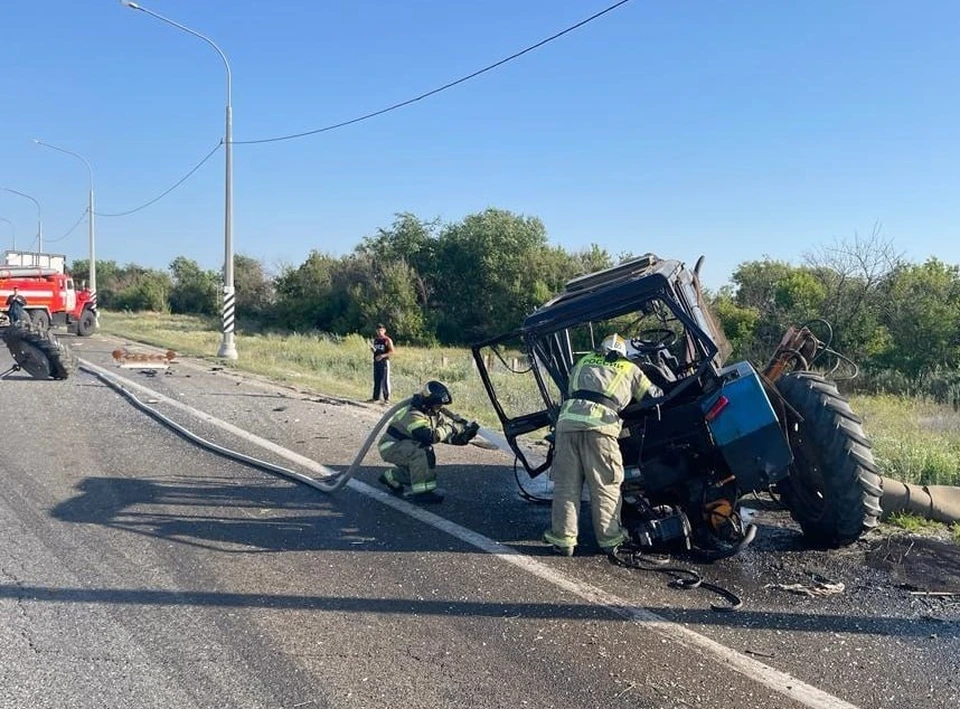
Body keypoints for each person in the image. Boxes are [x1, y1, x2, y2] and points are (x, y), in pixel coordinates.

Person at [543, 333, 663, 557]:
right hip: (600, 429)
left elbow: (572, 391)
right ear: (623, 353)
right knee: (605, 485)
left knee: (566, 486)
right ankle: (609, 540)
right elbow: (652, 395)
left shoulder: (583, 362)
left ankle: (563, 540)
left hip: (567, 426)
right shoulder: (629, 368)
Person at [377, 380, 479, 504]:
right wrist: (452, 427)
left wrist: (464, 437)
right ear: (428, 403)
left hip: (406, 446)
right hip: (391, 447)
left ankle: (390, 477)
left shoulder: (432, 414)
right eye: (437, 405)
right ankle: (422, 494)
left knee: (417, 474)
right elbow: (429, 437)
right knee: (423, 452)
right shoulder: (413, 414)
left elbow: (444, 436)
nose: (440, 408)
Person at [368, 323, 396, 403]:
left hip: (384, 362)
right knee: (377, 379)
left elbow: (392, 352)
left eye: (381, 330)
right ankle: (376, 397)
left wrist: (382, 356)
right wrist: (374, 351)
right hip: (376, 362)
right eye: (378, 330)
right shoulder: (376, 340)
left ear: (384, 330)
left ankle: (387, 399)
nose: (379, 332)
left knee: (384, 380)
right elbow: (377, 351)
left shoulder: (387, 340)